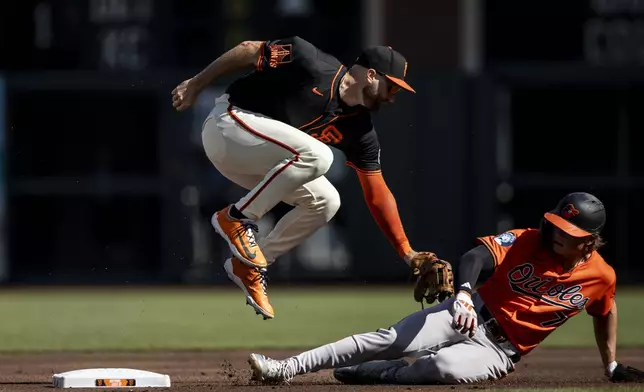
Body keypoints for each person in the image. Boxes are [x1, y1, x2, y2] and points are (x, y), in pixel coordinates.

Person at [246, 192, 643, 385]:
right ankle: (286, 368)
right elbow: (474, 258)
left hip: (501, 351)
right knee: (388, 337)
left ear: (589, 241)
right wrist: (465, 295)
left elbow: (605, 311)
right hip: (469, 313)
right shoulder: (527, 240)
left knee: (444, 369)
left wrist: (609, 362)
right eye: (556, 224)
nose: (556, 233)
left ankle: (385, 376)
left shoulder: (601, 277)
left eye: (568, 232)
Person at [171, 36, 436, 320]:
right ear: (371, 75)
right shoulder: (312, 61)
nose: (393, 96)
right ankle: (236, 218)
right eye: (392, 86)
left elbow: (377, 192)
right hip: (228, 124)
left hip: (254, 162)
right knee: (320, 156)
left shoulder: (360, 130)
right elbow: (248, 50)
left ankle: (250, 265)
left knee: (327, 201)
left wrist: (407, 251)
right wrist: (197, 84)